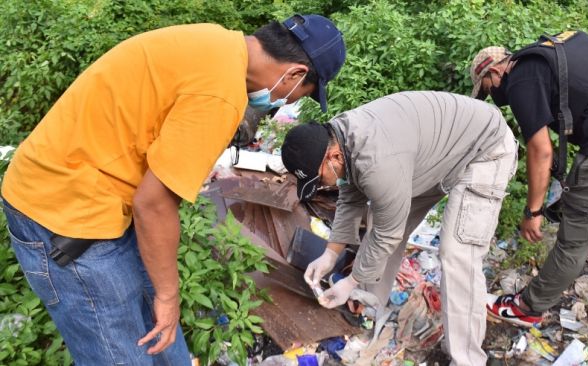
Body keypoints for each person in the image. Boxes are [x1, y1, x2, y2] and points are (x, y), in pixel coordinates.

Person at [1, 14, 345, 365]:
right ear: (295, 74)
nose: (286, 104)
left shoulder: (216, 42)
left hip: (97, 198)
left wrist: (166, 297)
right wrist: (169, 295)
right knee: (125, 350)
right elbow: (153, 205)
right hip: (64, 215)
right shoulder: (220, 94)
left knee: (163, 338)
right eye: (298, 95)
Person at [281, 91, 517, 366]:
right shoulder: (338, 138)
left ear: (333, 156)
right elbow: (350, 195)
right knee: (387, 224)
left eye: (319, 178)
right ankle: (367, 305)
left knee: (457, 255)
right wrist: (330, 254)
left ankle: (468, 360)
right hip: (431, 156)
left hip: (484, 149)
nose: (321, 185)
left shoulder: (377, 162)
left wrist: (351, 280)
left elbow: (386, 233)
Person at [469, 31, 588, 328]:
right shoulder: (549, 52)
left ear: (493, 71)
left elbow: (540, 150)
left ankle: (528, 308)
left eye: (487, 89)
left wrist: (533, 211)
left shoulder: (520, 80)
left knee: (576, 227)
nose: (492, 96)